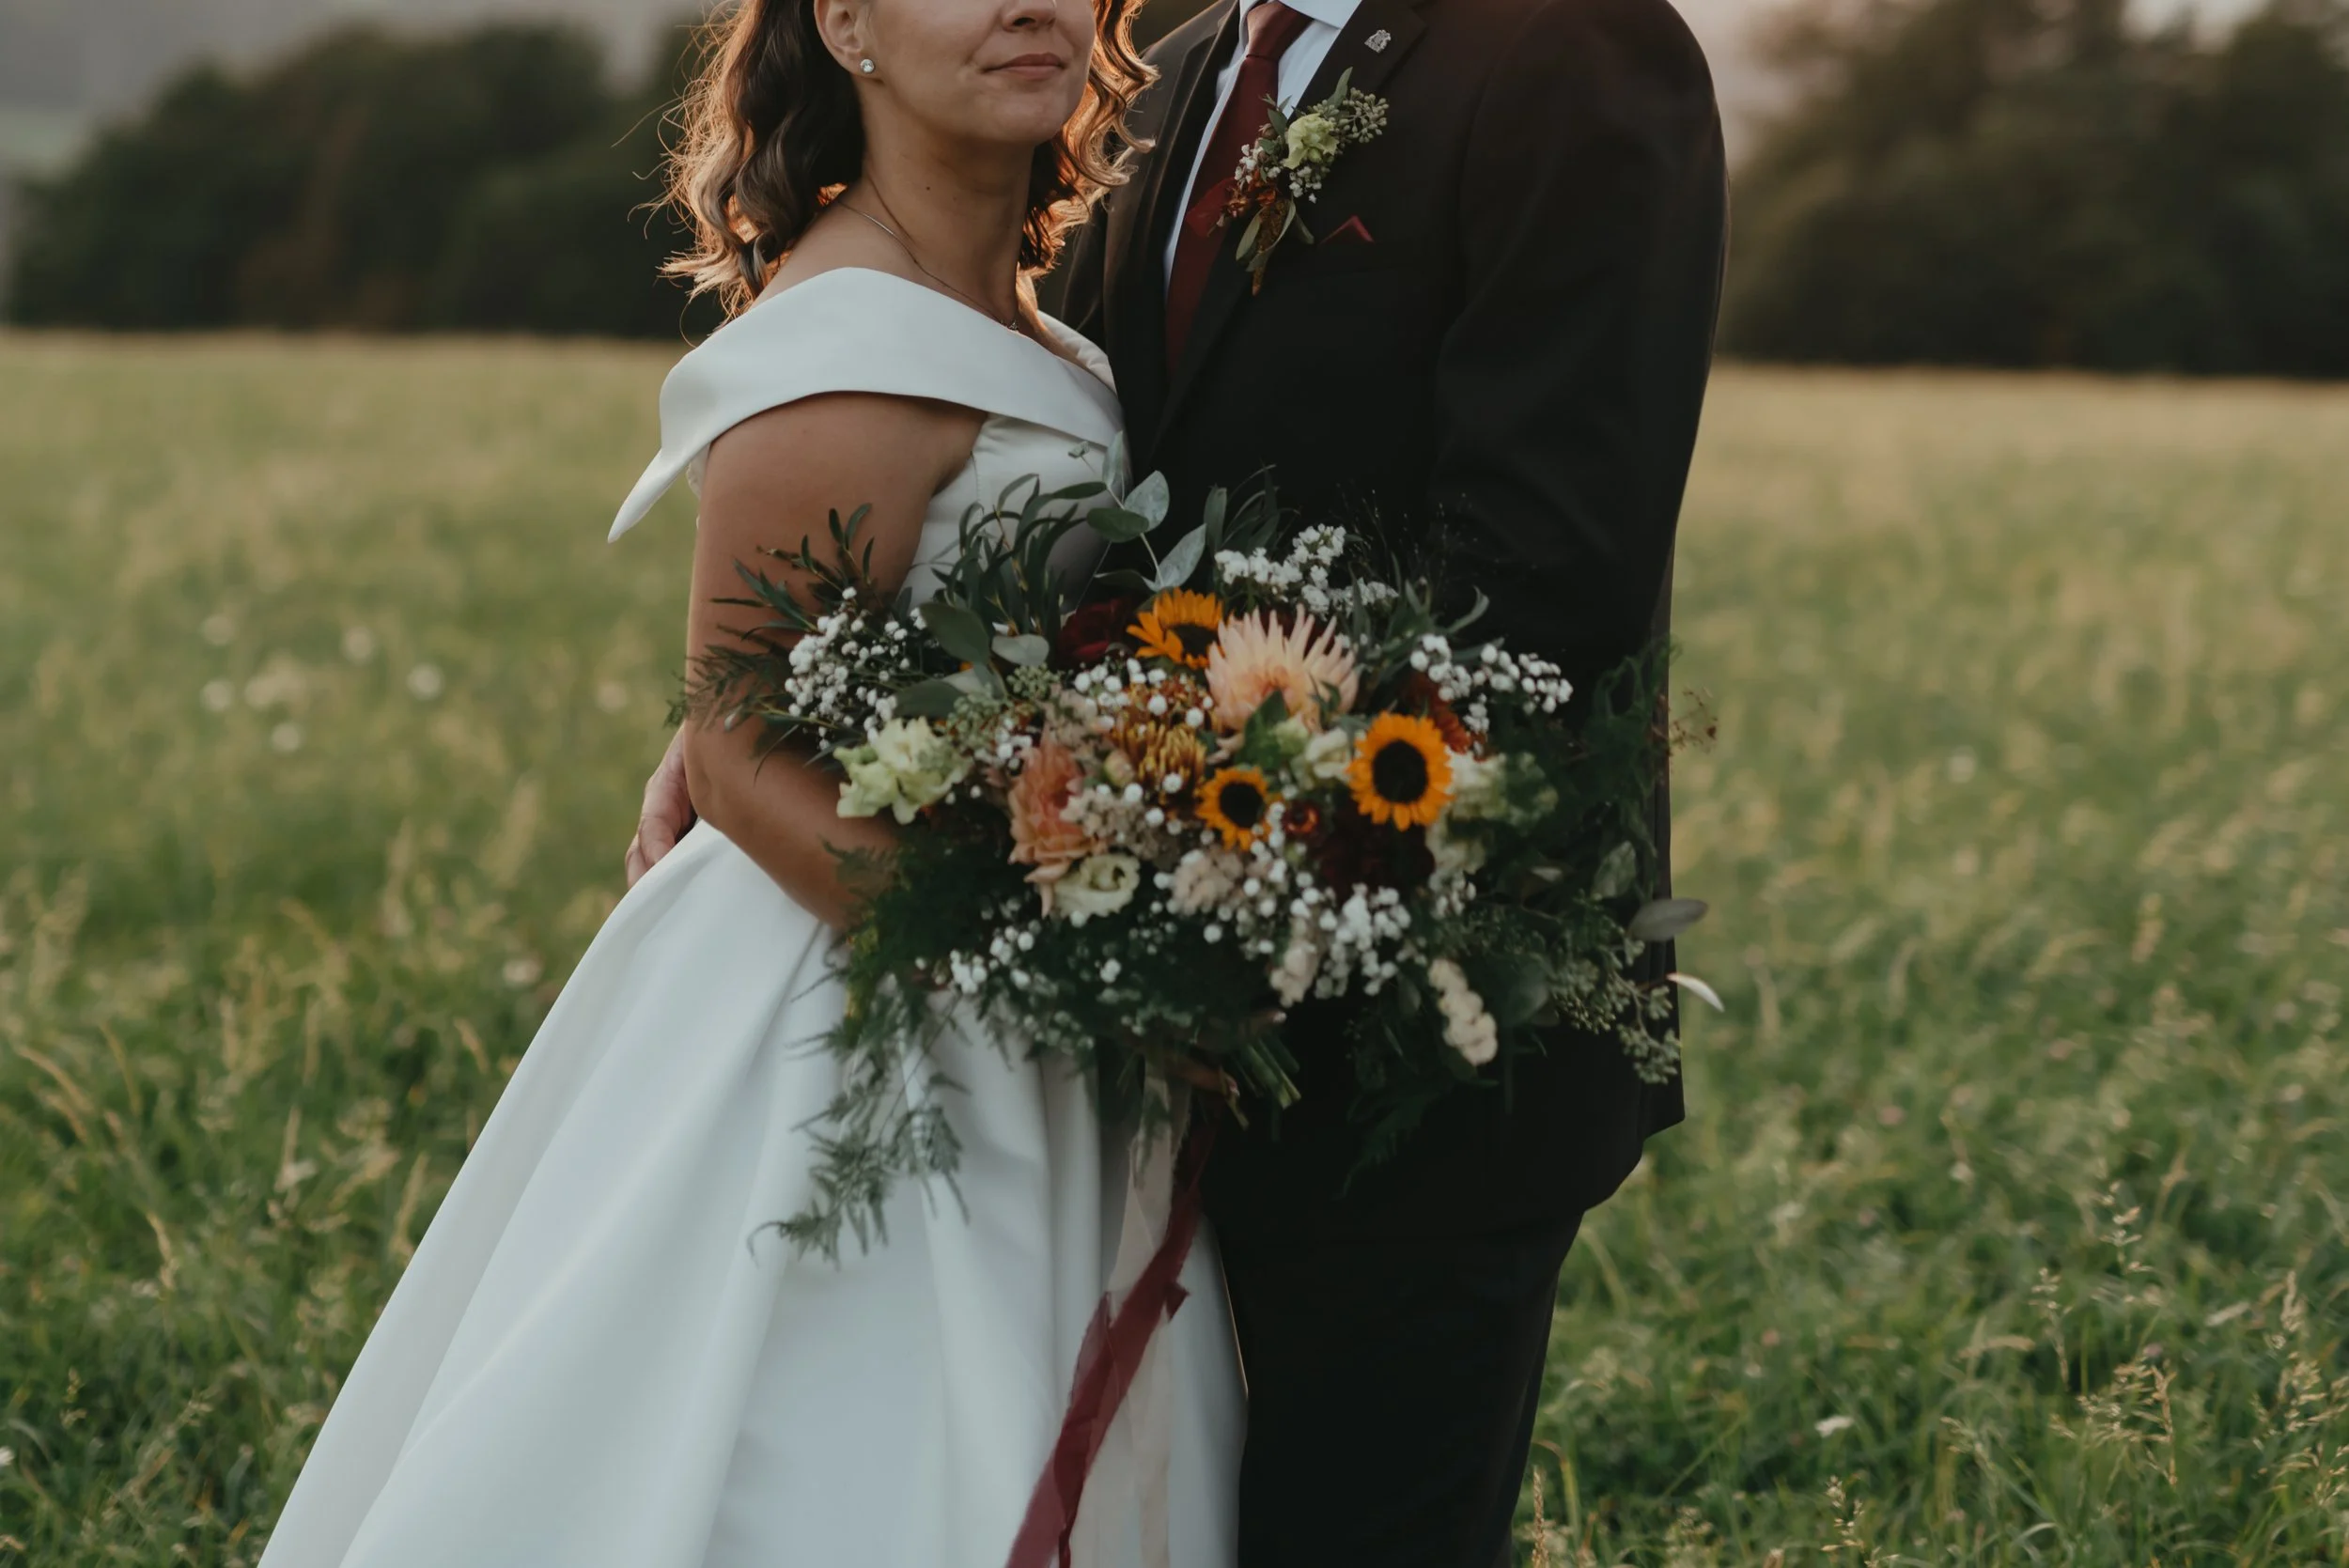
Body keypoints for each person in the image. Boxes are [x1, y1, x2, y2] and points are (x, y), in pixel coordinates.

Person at [631, 0, 1729, 1560]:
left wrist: (1241, 901)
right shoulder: (1175, 74)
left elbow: (1551, 588)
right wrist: (778, 704)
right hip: (1102, 1039)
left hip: (1410, 1041)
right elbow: (1048, 508)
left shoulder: (1570, 49)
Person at [258, 1, 1242, 1564]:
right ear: (846, 24)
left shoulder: (1035, 317)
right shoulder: (848, 336)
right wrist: (1058, 980)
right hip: (856, 986)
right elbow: (735, 741)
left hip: (1023, 951)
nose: (1029, 1)